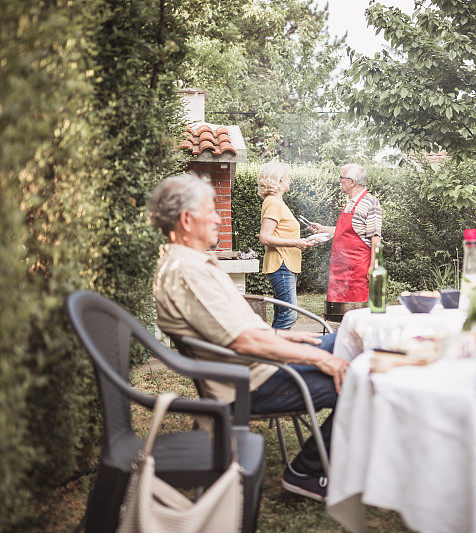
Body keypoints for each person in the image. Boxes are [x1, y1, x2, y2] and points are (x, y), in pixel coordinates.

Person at [148, 172, 347, 502]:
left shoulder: (189, 261)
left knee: (352, 346)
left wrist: (286, 337)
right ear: (186, 220)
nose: (218, 216)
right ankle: (306, 471)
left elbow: (234, 327)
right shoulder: (188, 270)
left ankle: (343, 455)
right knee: (355, 382)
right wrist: (319, 357)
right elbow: (241, 341)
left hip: (262, 363)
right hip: (254, 381)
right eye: (211, 209)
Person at [309, 163, 382, 305]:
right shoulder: (350, 202)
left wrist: (373, 267)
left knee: (359, 312)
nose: (339, 181)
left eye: (341, 178)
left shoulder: (370, 202)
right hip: (341, 268)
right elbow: (345, 231)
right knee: (339, 311)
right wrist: (323, 229)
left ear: (352, 182)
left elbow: (375, 238)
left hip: (358, 270)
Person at [257, 161, 314, 329]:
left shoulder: (278, 202)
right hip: (281, 264)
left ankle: (274, 352)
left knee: (284, 312)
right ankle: (273, 352)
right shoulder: (273, 202)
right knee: (289, 314)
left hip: (286, 265)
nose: (290, 180)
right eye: (287, 177)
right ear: (280, 180)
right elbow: (264, 237)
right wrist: (296, 242)